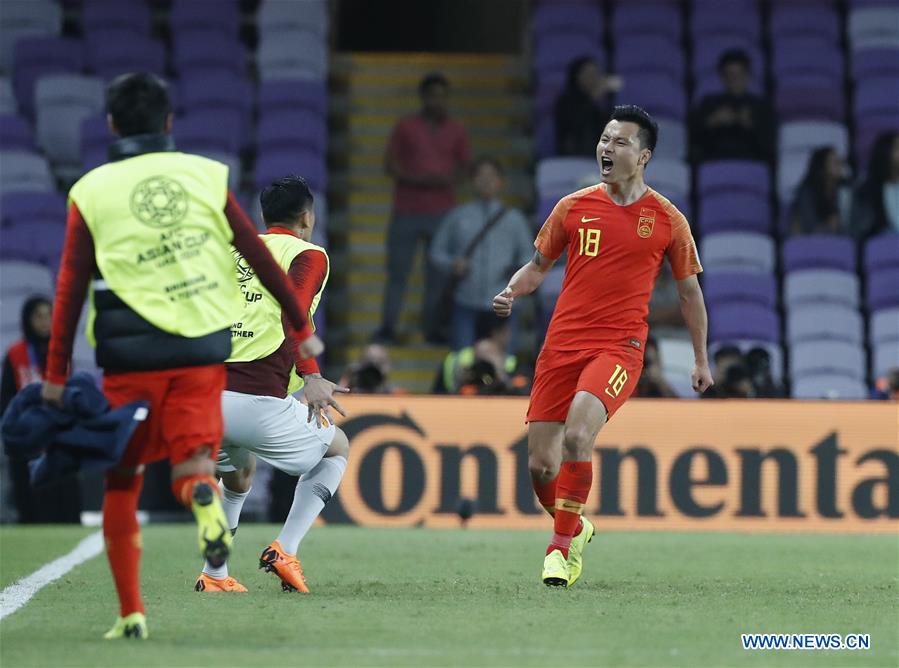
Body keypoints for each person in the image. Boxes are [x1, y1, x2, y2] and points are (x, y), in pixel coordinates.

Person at [41, 73, 321, 639]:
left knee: (123, 479)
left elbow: (69, 286)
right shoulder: (205, 176)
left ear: (111, 124)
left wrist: (56, 372)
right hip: (199, 354)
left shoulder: (89, 191)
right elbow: (259, 259)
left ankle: (131, 613)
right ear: (169, 122)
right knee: (195, 466)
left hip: (128, 353)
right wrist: (303, 332)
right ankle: (202, 502)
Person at [493, 105, 713, 587]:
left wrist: (700, 359)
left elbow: (689, 293)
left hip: (619, 347)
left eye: (619, 142)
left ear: (644, 156)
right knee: (541, 465)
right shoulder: (572, 207)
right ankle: (575, 527)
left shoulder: (668, 219)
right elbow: (537, 267)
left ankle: (559, 550)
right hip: (561, 345)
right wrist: (512, 290)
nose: (606, 149)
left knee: (577, 435)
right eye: (604, 139)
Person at [196, 175, 349, 595]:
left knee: (239, 477)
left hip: (205, 397)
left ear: (264, 217)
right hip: (256, 398)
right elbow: (292, 310)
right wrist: (312, 375)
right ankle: (286, 549)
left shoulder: (233, 251)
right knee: (337, 448)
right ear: (308, 217)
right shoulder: (308, 254)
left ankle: (214, 574)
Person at [374, 72, 470, 343]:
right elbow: (389, 164)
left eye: (442, 96)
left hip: (442, 212)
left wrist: (446, 180)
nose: (437, 101)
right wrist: (416, 179)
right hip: (407, 210)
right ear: (423, 97)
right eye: (432, 96)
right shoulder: (406, 126)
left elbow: (465, 168)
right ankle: (388, 328)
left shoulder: (456, 130)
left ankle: (432, 330)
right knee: (398, 273)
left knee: (437, 276)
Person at [429, 156, 533, 353]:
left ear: (500, 182)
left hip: (503, 302)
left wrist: (515, 270)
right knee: (463, 360)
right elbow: (436, 252)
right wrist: (452, 264)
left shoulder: (514, 219)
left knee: (503, 360)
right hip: (466, 300)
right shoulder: (457, 216)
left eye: (491, 176)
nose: (486, 181)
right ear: (472, 182)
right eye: (480, 176)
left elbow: (530, 257)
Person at [1, 297, 82, 523]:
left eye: (49, 316)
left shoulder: (62, 352)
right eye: (39, 316)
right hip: (27, 435)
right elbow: (6, 396)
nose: (45, 321)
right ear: (28, 320)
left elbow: (73, 391)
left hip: (59, 433)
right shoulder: (16, 354)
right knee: (29, 487)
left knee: (64, 487)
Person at [690, 49, 774, 163]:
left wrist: (750, 125)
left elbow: (770, 147)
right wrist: (712, 121)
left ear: (748, 76)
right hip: (714, 161)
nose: (735, 80)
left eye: (739, 75)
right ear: (722, 77)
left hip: (751, 162)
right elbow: (692, 141)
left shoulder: (761, 106)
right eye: (730, 75)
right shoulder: (709, 103)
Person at [554, 57, 622, 157]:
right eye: (588, 74)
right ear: (577, 77)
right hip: (574, 156)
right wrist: (593, 98)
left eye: (595, 73)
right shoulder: (565, 101)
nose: (593, 78)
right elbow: (575, 126)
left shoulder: (605, 101)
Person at [789, 147, 851, 236]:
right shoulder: (807, 193)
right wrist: (829, 227)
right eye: (835, 162)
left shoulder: (847, 190)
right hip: (812, 240)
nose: (840, 165)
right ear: (822, 166)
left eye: (840, 162)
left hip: (843, 240)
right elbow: (809, 226)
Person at [853, 131, 899, 239]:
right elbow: (863, 228)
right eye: (898, 148)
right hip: (884, 243)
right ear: (886, 152)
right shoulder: (868, 189)